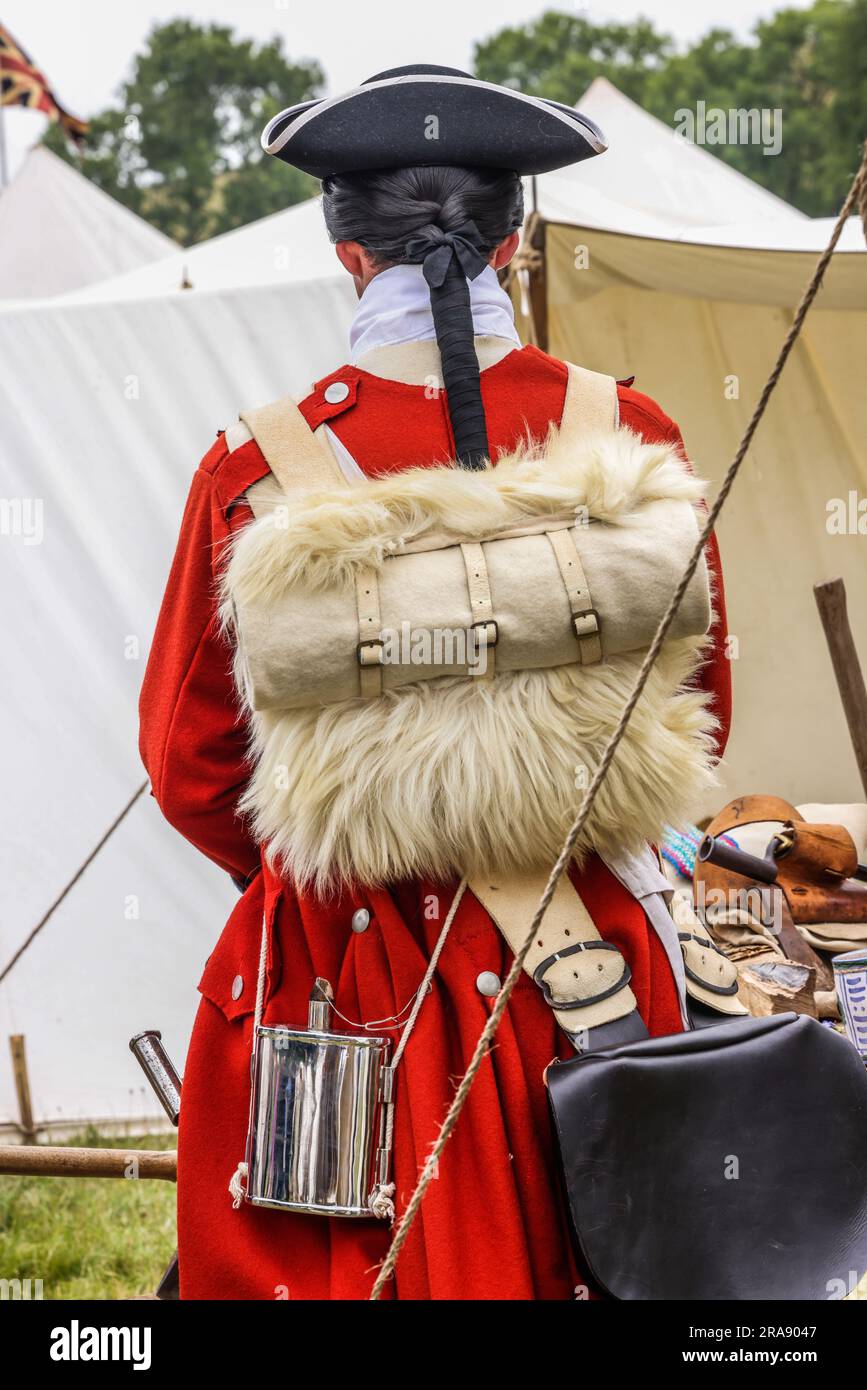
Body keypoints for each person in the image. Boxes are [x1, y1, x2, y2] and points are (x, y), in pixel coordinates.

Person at [139, 65, 732, 1301]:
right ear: (514, 241)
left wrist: (351, 846)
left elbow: (191, 765)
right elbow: (702, 703)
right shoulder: (637, 434)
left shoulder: (252, 466)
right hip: (590, 964)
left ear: (348, 255)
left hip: (333, 961)